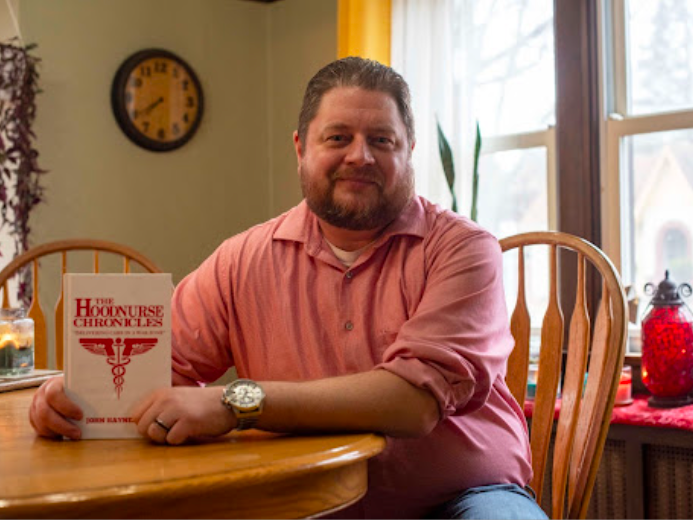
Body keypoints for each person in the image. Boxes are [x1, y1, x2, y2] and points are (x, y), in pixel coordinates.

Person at [29, 57, 546, 519]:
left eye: (382, 140)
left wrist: (236, 402)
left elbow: (412, 403)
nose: (359, 156)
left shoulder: (463, 248)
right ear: (301, 148)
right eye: (338, 137)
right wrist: (76, 399)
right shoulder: (241, 260)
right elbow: (150, 368)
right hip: (299, 502)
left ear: (409, 150)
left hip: (463, 498)